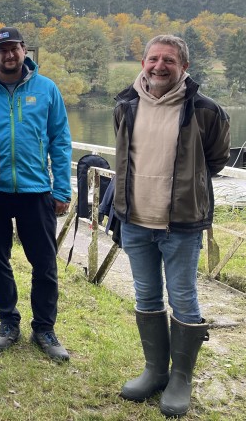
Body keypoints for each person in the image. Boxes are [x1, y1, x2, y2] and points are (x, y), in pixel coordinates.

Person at [114, 35, 229, 417]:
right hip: (135, 221)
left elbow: (213, 163)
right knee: (146, 296)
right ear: (142, 61)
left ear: (184, 68)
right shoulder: (125, 104)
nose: (159, 66)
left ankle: (180, 378)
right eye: (153, 59)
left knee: (183, 298)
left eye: (169, 60)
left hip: (180, 224)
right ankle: (154, 371)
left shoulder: (206, 110)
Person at [0, 26, 72, 361]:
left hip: (36, 189)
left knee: (44, 263)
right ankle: (8, 322)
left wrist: (62, 188)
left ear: (24, 51)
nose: (9, 55)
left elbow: (60, 140)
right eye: (2, 50)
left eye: (14, 49)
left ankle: (44, 327)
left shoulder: (47, 89)